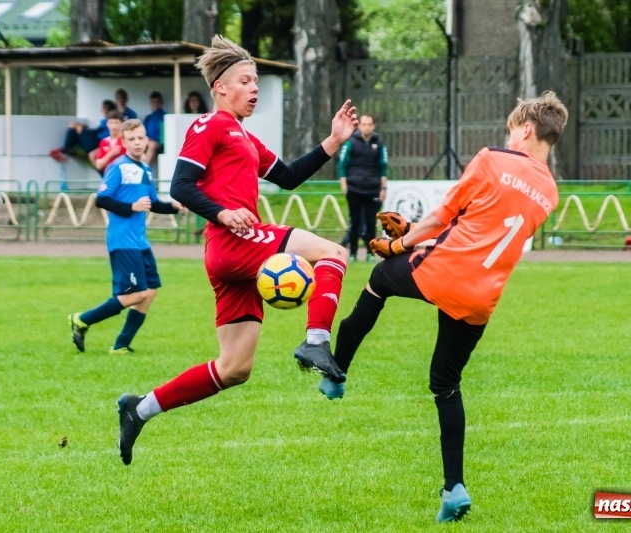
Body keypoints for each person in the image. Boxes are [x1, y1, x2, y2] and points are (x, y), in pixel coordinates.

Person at [319, 91, 569, 523]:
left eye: (512, 130)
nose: (508, 136)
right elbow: (475, 230)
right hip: (481, 297)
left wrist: (400, 243)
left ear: (525, 129)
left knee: (379, 280)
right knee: (445, 384)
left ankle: (337, 371)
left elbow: (443, 219)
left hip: (444, 272)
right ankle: (454, 487)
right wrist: (417, 233)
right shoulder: (550, 192)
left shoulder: (493, 159)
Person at [115, 35, 358, 466]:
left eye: (256, 81)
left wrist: (333, 140)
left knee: (234, 369)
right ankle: (316, 340)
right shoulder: (208, 126)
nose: (254, 88)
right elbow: (180, 187)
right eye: (245, 80)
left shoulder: (244, 136)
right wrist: (224, 214)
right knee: (334, 255)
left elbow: (286, 177)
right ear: (220, 89)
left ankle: (140, 409)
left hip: (231, 255)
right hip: (235, 239)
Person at [68, 118, 185, 355]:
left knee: (150, 292)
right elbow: (102, 199)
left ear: (147, 140)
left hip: (140, 242)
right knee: (136, 294)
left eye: (141, 138)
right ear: (123, 142)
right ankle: (82, 319)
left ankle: (121, 345)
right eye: (131, 139)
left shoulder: (145, 170)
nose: (137, 143)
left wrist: (174, 206)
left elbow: (150, 203)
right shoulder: (118, 167)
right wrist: (130, 207)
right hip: (122, 241)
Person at [338, 114, 388, 262]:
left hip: (373, 189)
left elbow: (383, 166)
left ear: (373, 126)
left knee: (371, 222)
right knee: (355, 222)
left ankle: (370, 253)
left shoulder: (379, 143)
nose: (366, 127)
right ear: (359, 126)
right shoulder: (351, 143)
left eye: (369, 124)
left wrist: (383, 188)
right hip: (354, 188)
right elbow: (342, 165)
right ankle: (353, 253)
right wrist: (344, 186)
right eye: (364, 124)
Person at [50, 99, 117, 164]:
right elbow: (98, 131)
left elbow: (102, 134)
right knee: (75, 130)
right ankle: (66, 150)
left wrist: (83, 128)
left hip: (96, 143)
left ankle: (64, 152)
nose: (102, 110)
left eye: (105, 108)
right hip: (94, 141)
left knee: (74, 125)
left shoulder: (110, 121)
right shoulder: (104, 121)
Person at [143, 91, 166, 167]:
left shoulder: (165, 116)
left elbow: (165, 134)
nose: (155, 104)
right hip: (148, 142)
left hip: (159, 143)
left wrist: (156, 141)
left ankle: (144, 168)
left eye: (157, 102)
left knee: (152, 145)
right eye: (153, 102)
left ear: (161, 102)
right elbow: (143, 132)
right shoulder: (148, 118)